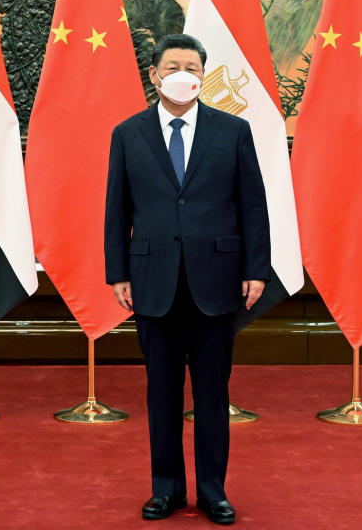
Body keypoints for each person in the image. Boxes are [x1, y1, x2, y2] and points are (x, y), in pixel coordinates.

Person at [104, 34, 270, 525]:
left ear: (203, 75)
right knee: (162, 393)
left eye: (192, 66)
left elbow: (253, 207)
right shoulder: (129, 133)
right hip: (152, 280)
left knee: (213, 394)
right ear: (154, 74)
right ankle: (167, 490)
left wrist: (255, 269)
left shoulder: (232, 131)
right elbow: (117, 209)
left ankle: (213, 491)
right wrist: (118, 273)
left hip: (217, 280)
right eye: (172, 66)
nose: (183, 73)